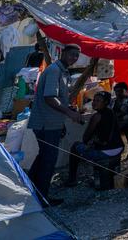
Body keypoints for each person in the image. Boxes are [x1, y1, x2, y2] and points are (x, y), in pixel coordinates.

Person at [27, 44, 84, 206]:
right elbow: (50, 98)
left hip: (52, 122)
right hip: (46, 123)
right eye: (72, 54)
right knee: (48, 160)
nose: (74, 58)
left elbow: (58, 98)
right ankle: (42, 198)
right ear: (63, 53)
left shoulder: (63, 71)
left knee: (43, 158)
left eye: (76, 56)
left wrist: (68, 111)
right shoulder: (54, 70)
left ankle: (30, 190)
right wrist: (69, 113)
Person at [64, 91, 124, 189]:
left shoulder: (97, 116)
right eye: (94, 100)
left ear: (105, 102)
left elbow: (85, 138)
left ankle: (72, 180)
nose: (94, 103)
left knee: (75, 147)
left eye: (98, 101)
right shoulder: (111, 112)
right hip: (118, 148)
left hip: (107, 151)